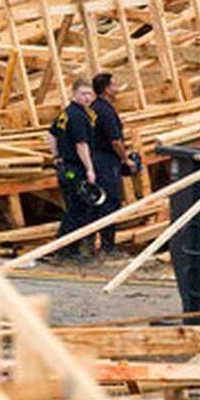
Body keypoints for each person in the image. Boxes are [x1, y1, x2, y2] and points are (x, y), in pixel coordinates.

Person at [48, 78, 98, 262]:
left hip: (65, 168)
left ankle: (69, 249)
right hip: (76, 168)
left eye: (89, 94)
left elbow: (51, 134)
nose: (87, 98)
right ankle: (66, 250)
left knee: (73, 206)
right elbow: (81, 145)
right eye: (83, 94)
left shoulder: (65, 114)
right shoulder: (77, 116)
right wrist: (90, 169)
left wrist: (56, 156)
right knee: (78, 209)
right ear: (74, 94)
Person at [89, 73, 137, 256]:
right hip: (107, 161)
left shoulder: (93, 108)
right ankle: (108, 248)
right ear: (107, 89)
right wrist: (126, 159)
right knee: (110, 202)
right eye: (114, 85)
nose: (117, 88)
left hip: (94, 159)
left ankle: (92, 244)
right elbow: (115, 141)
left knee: (97, 201)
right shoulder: (106, 111)